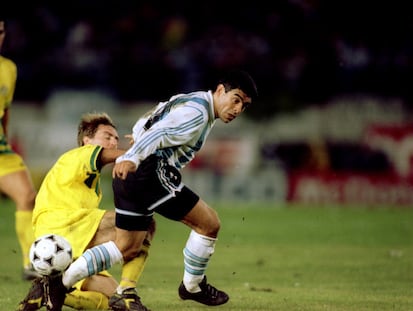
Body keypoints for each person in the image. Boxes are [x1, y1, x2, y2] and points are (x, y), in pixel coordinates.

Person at [44, 70, 258, 311]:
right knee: (209, 223)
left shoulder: (191, 100)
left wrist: (137, 137)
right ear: (220, 91)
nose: (238, 109)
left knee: (126, 247)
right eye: (236, 99)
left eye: (244, 105)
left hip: (131, 179)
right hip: (150, 173)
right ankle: (192, 285)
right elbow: (160, 132)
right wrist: (133, 157)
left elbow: (156, 114)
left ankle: (61, 283)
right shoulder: (198, 113)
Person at [17, 112, 155, 311]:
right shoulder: (79, 155)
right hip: (64, 224)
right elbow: (107, 155)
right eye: (107, 136)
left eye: (116, 138)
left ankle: (48, 292)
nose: (113, 142)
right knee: (143, 223)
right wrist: (141, 150)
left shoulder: (90, 181)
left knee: (110, 302)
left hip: (67, 233)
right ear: (86, 140)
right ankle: (127, 291)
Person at [0, 16, 39, 280]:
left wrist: (6, 138)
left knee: (27, 196)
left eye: (0, 31)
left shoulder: (8, 69)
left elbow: (6, 109)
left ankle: (31, 263)